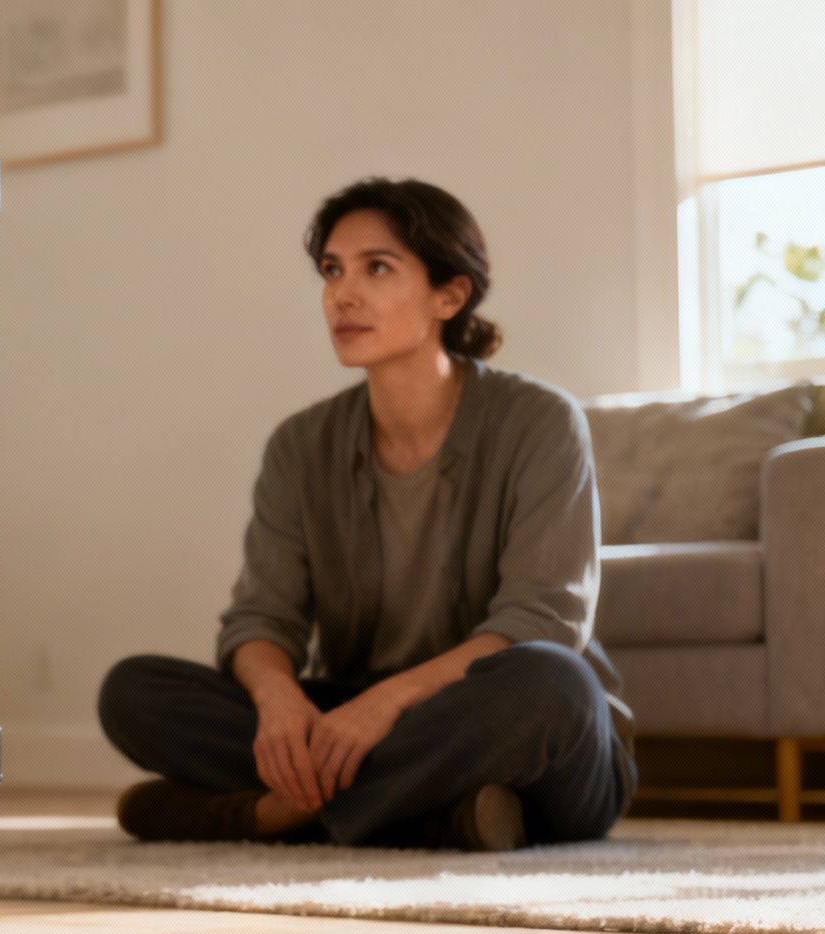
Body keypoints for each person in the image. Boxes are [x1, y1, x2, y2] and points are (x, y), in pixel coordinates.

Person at [97, 177, 636, 851]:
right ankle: (440, 815)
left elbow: (544, 622)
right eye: (331, 271)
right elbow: (262, 618)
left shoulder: (540, 420)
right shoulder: (299, 445)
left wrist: (383, 709)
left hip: (501, 724)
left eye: (376, 268)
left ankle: (268, 816)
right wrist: (280, 703)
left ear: (450, 294)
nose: (341, 295)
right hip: (351, 716)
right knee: (133, 691)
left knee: (553, 684)